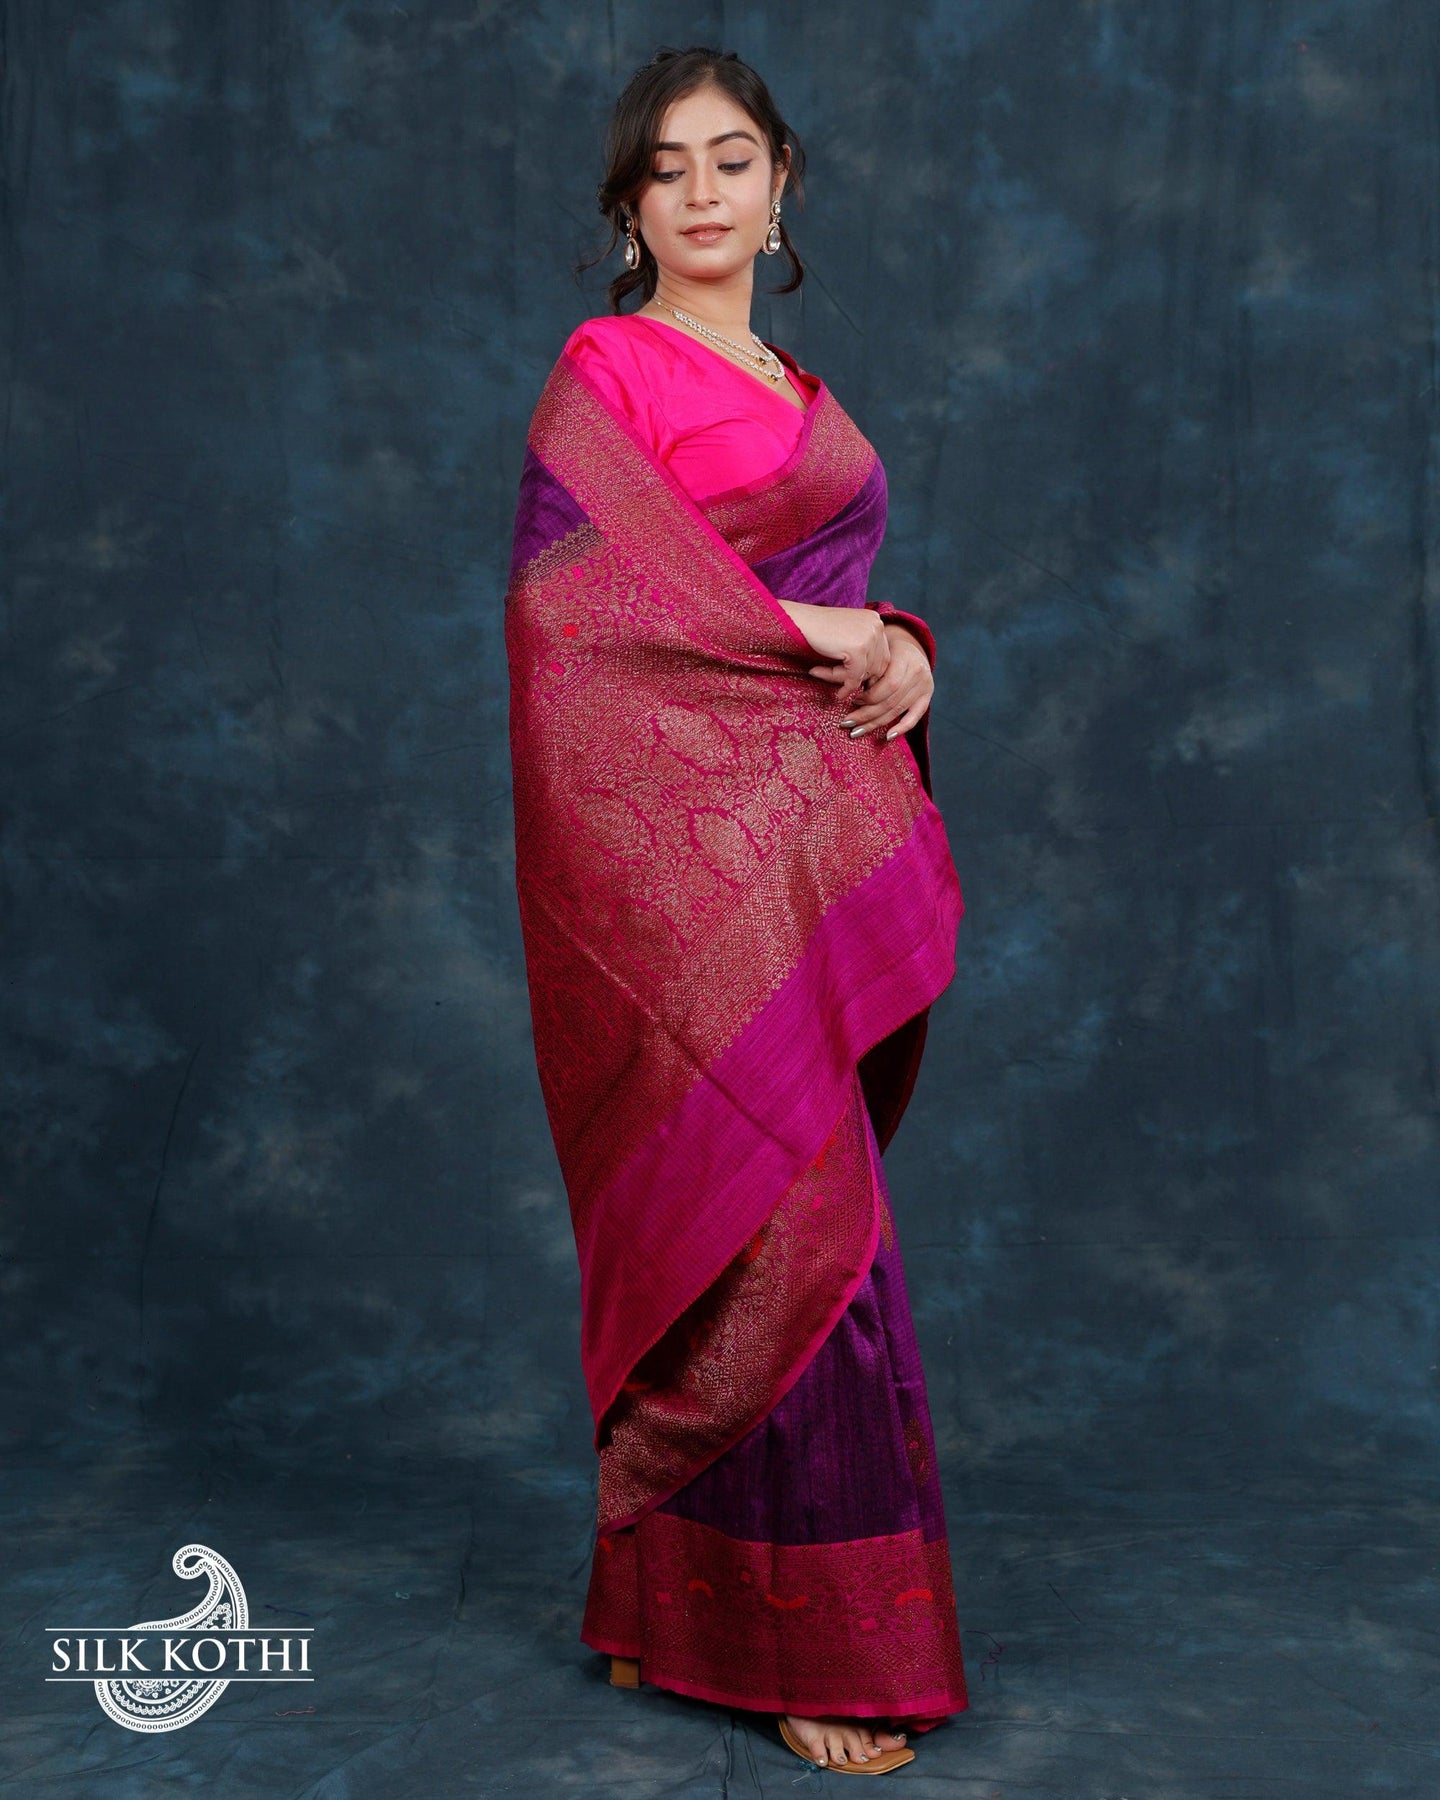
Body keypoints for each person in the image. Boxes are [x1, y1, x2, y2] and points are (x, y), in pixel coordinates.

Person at [504, 45, 969, 1776]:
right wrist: (821, 639)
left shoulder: (801, 386)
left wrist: (904, 644)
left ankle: (659, 1613)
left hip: (807, 855)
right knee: (777, 1222)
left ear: (784, 187)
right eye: (667, 167)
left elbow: (835, 603)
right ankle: (802, 1648)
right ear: (630, 207)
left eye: (732, 160)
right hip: (677, 874)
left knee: (800, 1215)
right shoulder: (608, 370)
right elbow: (575, 620)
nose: (702, 192)